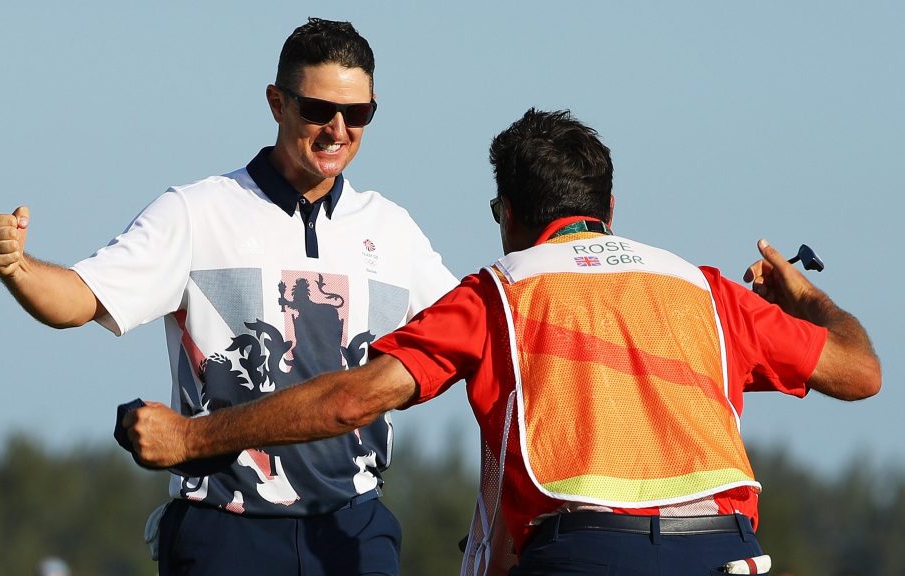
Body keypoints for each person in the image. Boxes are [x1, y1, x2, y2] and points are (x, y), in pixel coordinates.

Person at [122, 108, 881, 576]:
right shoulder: (704, 291)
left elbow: (354, 398)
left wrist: (195, 435)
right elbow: (860, 373)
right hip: (725, 552)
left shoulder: (499, 291)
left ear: (506, 212)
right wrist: (808, 298)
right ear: (609, 206)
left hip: (580, 554)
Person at [0, 17, 457, 576]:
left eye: (357, 114)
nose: (336, 129)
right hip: (227, 532)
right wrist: (16, 267)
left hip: (354, 529)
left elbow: (472, 338)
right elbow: (80, 299)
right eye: (316, 110)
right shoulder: (196, 212)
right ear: (277, 103)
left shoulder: (393, 228)